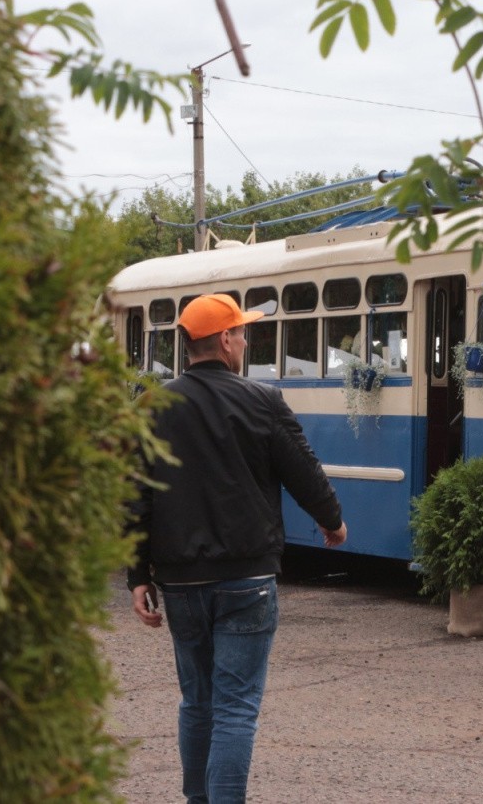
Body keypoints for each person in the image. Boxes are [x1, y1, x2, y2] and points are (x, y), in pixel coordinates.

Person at [128, 293, 347, 804]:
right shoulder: (262, 401)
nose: (246, 341)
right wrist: (331, 521)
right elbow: (304, 472)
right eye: (242, 333)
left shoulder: (150, 408)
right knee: (235, 707)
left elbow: (133, 496)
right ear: (224, 340)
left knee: (197, 702)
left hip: (180, 581)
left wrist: (137, 575)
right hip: (247, 578)